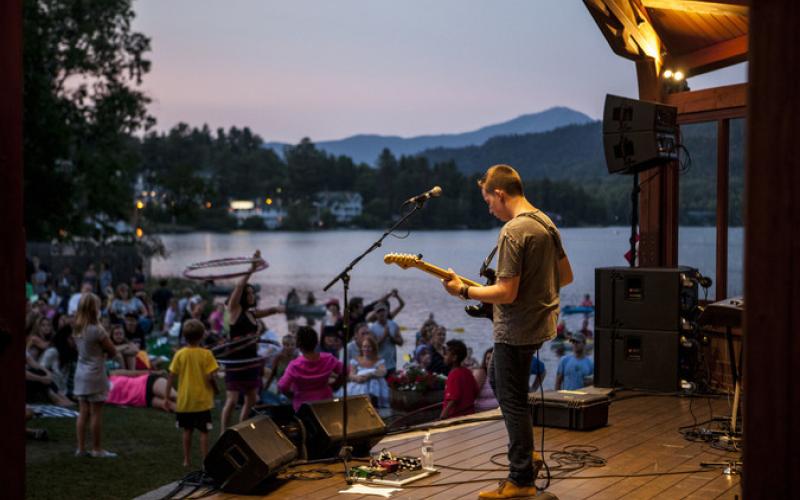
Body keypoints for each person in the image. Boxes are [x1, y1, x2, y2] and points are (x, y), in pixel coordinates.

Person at [442, 164, 572, 498]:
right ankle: (526, 454)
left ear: (500, 193)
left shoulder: (514, 231)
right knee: (499, 380)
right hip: (540, 324)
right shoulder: (546, 222)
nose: (489, 208)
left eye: (489, 201)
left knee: (511, 400)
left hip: (515, 329)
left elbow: (506, 293)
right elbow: (566, 275)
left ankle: (520, 481)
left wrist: (463, 291)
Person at [222, 250, 283, 429]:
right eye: (249, 293)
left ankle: (240, 429)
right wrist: (252, 268)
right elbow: (239, 286)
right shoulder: (234, 311)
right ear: (242, 296)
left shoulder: (251, 314)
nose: (252, 295)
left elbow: (270, 311)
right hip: (236, 362)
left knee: (252, 397)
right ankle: (224, 432)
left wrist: (280, 309)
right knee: (232, 400)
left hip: (251, 362)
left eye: (252, 293)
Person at [167, 319, 219, 467]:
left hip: (185, 401)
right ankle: (205, 461)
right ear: (202, 335)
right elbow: (210, 377)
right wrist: (215, 389)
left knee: (187, 431)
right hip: (202, 402)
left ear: (184, 336)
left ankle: (186, 460)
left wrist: (166, 396)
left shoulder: (180, 354)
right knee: (204, 432)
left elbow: (171, 375)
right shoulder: (206, 354)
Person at [73, 293, 118, 458]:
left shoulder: (77, 327)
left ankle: (80, 448)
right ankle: (97, 449)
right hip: (95, 373)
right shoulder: (97, 329)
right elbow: (112, 351)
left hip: (80, 372)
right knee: (96, 412)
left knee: (82, 411)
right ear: (94, 308)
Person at [278, 326, 345, 412]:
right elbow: (345, 371)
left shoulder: (294, 365)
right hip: (326, 403)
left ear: (298, 344)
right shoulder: (328, 358)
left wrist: (292, 396)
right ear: (316, 342)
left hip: (304, 408)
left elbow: (282, 386)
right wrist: (336, 386)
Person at [346, 334, 390, 408]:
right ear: (361, 348)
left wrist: (370, 374)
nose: (366, 349)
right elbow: (351, 374)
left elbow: (383, 372)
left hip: (375, 390)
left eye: (369, 346)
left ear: (373, 348)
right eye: (364, 346)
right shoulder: (356, 360)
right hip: (359, 388)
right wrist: (357, 378)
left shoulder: (378, 360)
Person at [440, 339, 479, 419]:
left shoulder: (453, 374)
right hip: (470, 415)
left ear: (454, 358)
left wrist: (443, 416)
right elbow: (476, 391)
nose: (444, 357)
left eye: (446, 354)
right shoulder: (467, 372)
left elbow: (453, 399)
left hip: (456, 418)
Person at [369, 302, 403, 377]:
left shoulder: (393, 324)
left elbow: (401, 342)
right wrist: (384, 336)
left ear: (387, 312)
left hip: (392, 364)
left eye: (383, 311)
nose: (381, 313)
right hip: (378, 365)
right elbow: (372, 347)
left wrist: (391, 337)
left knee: (392, 387)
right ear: (375, 314)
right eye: (379, 312)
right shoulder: (372, 328)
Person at [473, 347, 499, 412]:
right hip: (482, 414)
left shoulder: (502, 376)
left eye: (492, 359)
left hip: (498, 414)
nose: (489, 361)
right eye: (487, 358)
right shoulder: (481, 373)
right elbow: (471, 395)